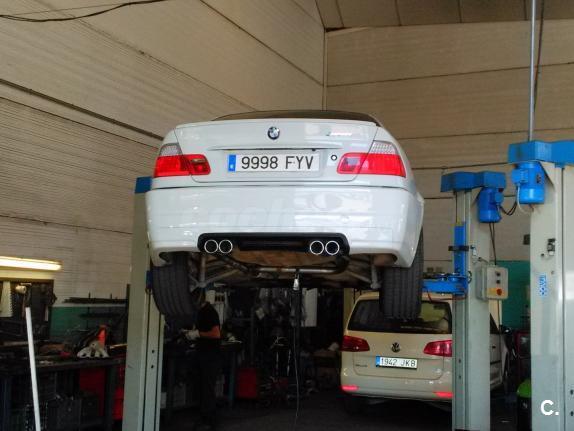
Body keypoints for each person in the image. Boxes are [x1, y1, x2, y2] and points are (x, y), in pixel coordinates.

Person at [193, 290, 221, 431]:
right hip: (203, 354)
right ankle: (204, 418)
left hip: (210, 356)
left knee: (207, 389)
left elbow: (216, 334)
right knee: (203, 387)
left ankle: (210, 421)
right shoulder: (201, 312)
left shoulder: (209, 312)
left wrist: (198, 334)